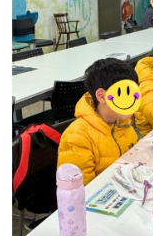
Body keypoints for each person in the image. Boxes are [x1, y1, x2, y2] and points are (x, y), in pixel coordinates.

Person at [58, 58, 140, 186]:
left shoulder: (123, 122)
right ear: (101, 96)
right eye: (124, 94)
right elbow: (82, 189)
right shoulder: (77, 137)